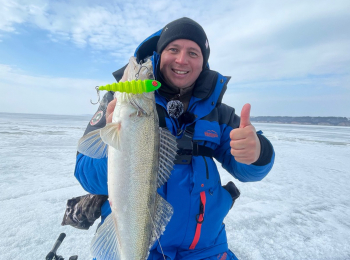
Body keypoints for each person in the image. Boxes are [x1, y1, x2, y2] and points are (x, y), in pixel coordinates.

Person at [74, 17, 275, 260]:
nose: (182, 59)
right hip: (137, 246)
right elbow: (85, 173)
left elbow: (251, 172)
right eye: (173, 49)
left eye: (193, 52)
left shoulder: (220, 114)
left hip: (206, 250)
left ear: (203, 63)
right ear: (159, 55)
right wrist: (113, 142)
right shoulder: (115, 104)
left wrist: (257, 153)